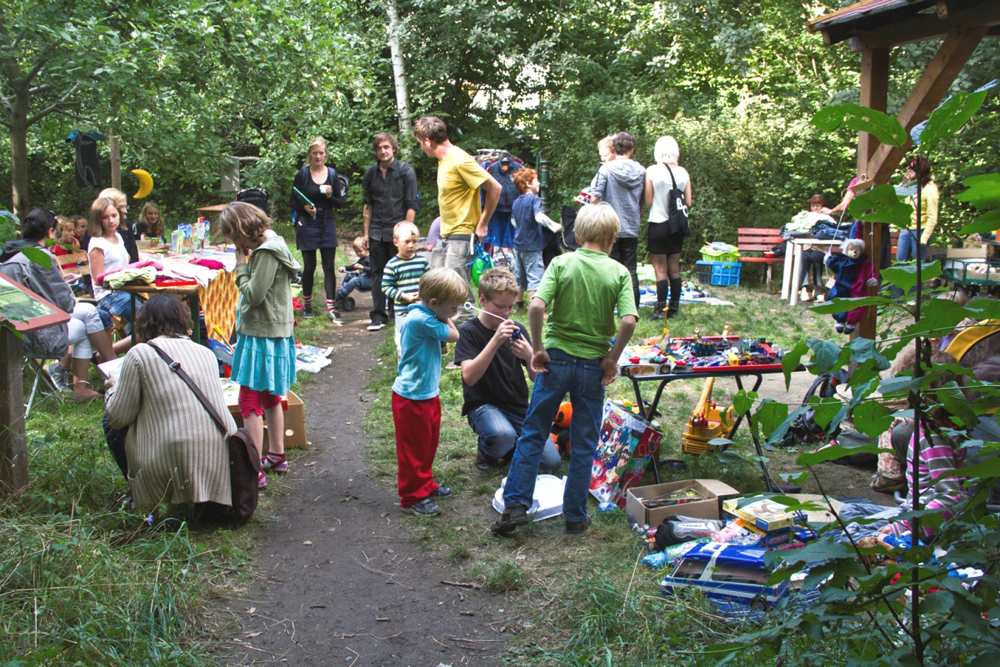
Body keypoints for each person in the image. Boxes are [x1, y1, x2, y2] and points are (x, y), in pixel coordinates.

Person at [491, 203, 638, 536]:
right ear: (613, 238)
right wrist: (612, 358)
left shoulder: (561, 262)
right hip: (592, 368)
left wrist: (538, 348)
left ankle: (516, 506)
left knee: (533, 432)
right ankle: (574, 516)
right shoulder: (619, 272)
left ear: (577, 234)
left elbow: (536, 306)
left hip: (555, 361)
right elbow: (628, 321)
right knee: (584, 443)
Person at [104, 294, 236, 512]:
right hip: (219, 453)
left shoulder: (139, 354)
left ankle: (144, 494)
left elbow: (119, 417)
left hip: (170, 454)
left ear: (143, 323)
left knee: (109, 421)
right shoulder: (206, 353)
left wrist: (112, 389)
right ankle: (205, 494)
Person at [218, 202, 300, 488]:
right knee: (271, 395)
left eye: (235, 239)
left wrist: (241, 266)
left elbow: (253, 295)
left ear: (242, 231)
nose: (237, 245)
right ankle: (276, 456)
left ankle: (254, 469)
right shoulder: (276, 243)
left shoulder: (265, 253)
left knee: (249, 400)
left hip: (260, 334)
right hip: (274, 332)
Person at [0, 208, 117, 400]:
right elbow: (65, 304)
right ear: (50, 232)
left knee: (89, 312)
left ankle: (104, 373)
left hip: (10, 328)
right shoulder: (39, 256)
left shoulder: (9, 252)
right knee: (86, 321)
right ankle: (107, 376)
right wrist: (64, 287)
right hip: (33, 333)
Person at [455, 267, 561, 473]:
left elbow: (536, 378)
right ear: (482, 300)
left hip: (517, 407)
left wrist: (530, 356)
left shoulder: (517, 329)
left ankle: (509, 447)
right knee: (502, 434)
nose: (506, 313)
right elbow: (469, 377)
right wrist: (495, 341)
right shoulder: (469, 332)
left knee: (551, 463)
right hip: (484, 407)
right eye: (501, 307)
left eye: (511, 307)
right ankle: (488, 451)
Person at [412, 116, 501, 327]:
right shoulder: (443, 161)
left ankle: (466, 344)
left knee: (459, 297)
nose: (420, 147)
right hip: (445, 235)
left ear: (427, 141)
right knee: (438, 290)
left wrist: (483, 223)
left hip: (461, 237)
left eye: (419, 143)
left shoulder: (460, 159)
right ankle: (444, 337)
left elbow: (495, 188)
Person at [391, 267, 466, 516]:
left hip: (425, 393)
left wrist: (444, 313)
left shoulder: (427, 313)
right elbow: (455, 336)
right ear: (433, 303)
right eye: (453, 308)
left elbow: (447, 326)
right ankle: (412, 497)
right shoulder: (422, 320)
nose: (455, 313)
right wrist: (446, 318)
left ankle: (424, 483)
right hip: (411, 397)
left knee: (427, 443)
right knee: (413, 449)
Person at [362, 132, 420, 331]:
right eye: (379, 148)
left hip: (398, 232)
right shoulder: (370, 174)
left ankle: (398, 313)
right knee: (377, 274)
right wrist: (365, 233)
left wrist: (407, 234)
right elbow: (368, 205)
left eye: (386, 147)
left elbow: (411, 205)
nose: (383, 151)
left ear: (393, 148)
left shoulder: (406, 172)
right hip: (376, 231)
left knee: (400, 272)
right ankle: (378, 316)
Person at [290, 136, 346, 324]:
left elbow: (339, 203)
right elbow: (292, 201)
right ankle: (307, 305)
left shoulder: (332, 174)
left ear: (325, 154)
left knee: (329, 266)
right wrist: (304, 207)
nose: (318, 156)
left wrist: (330, 196)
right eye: (315, 153)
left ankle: (332, 307)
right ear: (310, 154)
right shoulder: (303, 174)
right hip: (307, 224)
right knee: (309, 266)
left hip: (326, 223)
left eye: (321, 153)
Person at [589, 131, 645, 309]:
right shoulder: (641, 171)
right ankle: (632, 307)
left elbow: (594, 197)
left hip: (609, 226)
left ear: (614, 148)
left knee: (609, 268)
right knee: (630, 269)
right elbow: (642, 200)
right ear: (632, 148)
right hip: (631, 225)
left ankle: (608, 306)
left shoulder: (606, 169)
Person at [644, 136, 692, 320]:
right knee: (674, 270)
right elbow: (688, 202)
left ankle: (659, 310)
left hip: (658, 223)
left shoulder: (652, 171)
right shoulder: (683, 172)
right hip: (677, 226)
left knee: (660, 270)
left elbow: (648, 201)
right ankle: (674, 308)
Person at [511, 168, 561, 304]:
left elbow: (513, 222)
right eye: (536, 180)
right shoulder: (534, 199)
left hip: (519, 245)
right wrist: (555, 226)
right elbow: (539, 217)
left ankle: (518, 304)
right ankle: (534, 308)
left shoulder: (516, 201)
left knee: (519, 276)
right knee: (535, 278)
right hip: (532, 246)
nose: (539, 183)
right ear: (528, 183)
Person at [88, 196, 138, 329]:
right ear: (98, 219)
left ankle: (133, 338)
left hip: (126, 289)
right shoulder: (98, 243)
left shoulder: (118, 236)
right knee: (142, 317)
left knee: (152, 310)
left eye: (114, 215)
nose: (111, 221)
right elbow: (97, 279)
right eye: (105, 217)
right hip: (108, 294)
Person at [382, 221, 429, 357]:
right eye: (407, 241)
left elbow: (429, 281)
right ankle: (404, 366)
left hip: (422, 309)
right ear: (396, 242)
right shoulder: (392, 265)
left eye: (414, 241)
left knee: (422, 340)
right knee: (403, 342)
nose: (411, 245)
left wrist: (424, 294)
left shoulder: (422, 261)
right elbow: (385, 287)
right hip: (403, 311)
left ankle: (420, 364)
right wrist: (403, 296)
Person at [825, 238, 878, 334]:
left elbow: (871, 271)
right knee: (838, 299)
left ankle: (851, 322)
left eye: (857, 249)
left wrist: (873, 278)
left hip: (858, 287)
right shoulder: (842, 261)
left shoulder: (864, 263)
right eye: (852, 249)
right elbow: (833, 264)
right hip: (842, 286)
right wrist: (828, 259)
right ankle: (840, 320)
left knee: (858, 303)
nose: (854, 252)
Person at [898, 156, 938, 264]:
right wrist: (903, 185)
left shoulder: (930, 189)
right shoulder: (910, 185)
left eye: (911, 169)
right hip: (906, 229)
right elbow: (897, 199)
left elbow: (932, 216)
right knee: (900, 263)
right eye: (908, 168)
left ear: (920, 170)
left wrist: (924, 238)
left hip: (921, 231)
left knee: (917, 265)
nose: (908, 171)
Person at [799, 194, 832, 303]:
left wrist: (827, 213)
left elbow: (833, 225)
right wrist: (801, 214)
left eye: (817, 205)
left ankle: (817, 287)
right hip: (805, 247)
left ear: (822, 206)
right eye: (813, 205)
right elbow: (794, 220)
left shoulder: (826, 217)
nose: (815, 208)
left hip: (818, 248)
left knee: (818, 257)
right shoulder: (806, 216)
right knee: (804, 258)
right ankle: (804, 288)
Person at [98, 187, 139, 263]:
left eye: (125, 207)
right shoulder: (95, 237)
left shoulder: (125, 225)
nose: (125, 211)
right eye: (121, 207)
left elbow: (134, 256)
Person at [335, 236, 373, 310]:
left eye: (360, 251)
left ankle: (341, 295)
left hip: (371, 280)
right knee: (349, 276)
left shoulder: (371, 259)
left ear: (367, 249)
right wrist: (345, 268)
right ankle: (344, 292)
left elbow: (374, 270)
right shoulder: (362, 259)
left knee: (355, 280)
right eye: (356, 252)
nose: (358, 253)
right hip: (364, 278)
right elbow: (354, 266)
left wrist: (363, 268)